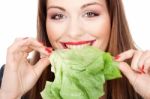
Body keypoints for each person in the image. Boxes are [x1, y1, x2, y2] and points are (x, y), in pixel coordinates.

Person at [0, 0, 150, 99]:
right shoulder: (10, 79)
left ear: (112, 17)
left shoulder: (144, 82)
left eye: (90, 13)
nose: (73, 32)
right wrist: (8, 95)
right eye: (58, 16)